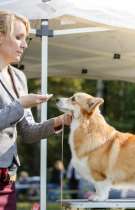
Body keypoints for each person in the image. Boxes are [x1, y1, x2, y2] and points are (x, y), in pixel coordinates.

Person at [0, 10, 71, 210]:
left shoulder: (19, 77)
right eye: (18, 37)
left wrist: (60, 121)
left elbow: (28, 132)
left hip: (8, 176)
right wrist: (21, 104)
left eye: (26, 39)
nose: (24, 44)